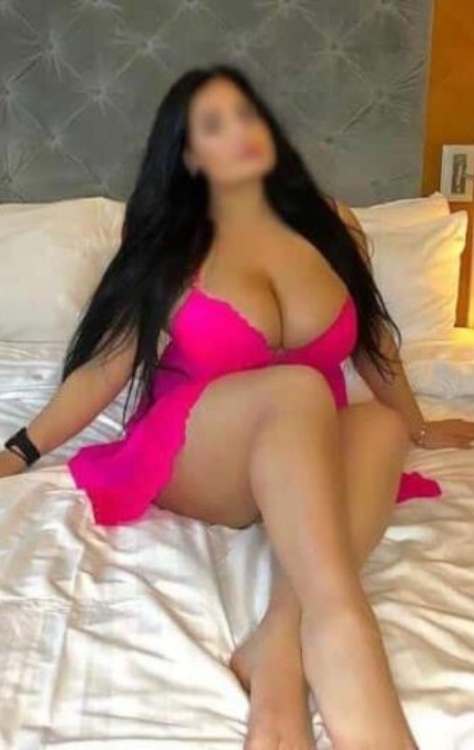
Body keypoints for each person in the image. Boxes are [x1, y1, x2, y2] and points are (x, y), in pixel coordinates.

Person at [2, 63, 474, 750]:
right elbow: (105, 369)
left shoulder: (332, 225)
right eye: (214, 124)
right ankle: (345, 631)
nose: (242, 131)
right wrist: (18, 451)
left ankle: (277, 644)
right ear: (189, 155)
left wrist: (419, 425)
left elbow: (373, 343)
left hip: (303, 451)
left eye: (247, 114)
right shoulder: (171, 243)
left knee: (377, 425)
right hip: (201, 450)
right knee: (299, 388)